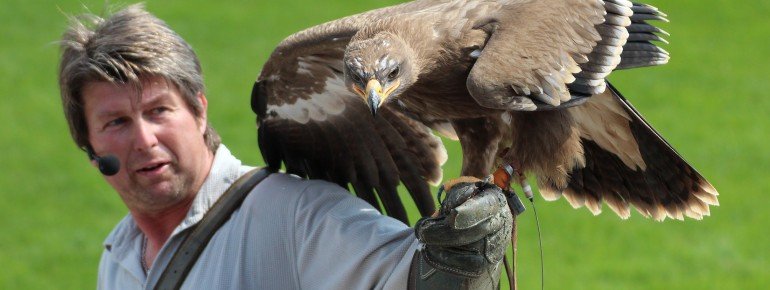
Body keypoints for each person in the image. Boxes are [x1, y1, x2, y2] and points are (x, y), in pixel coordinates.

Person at [57, 4, 512, 289]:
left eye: (159, 111)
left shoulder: (295, 216)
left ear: (199, 111)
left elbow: (408, 278)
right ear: (88, 143)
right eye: (116, 121)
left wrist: (456, 259)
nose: (143, 139)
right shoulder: (118, 258)